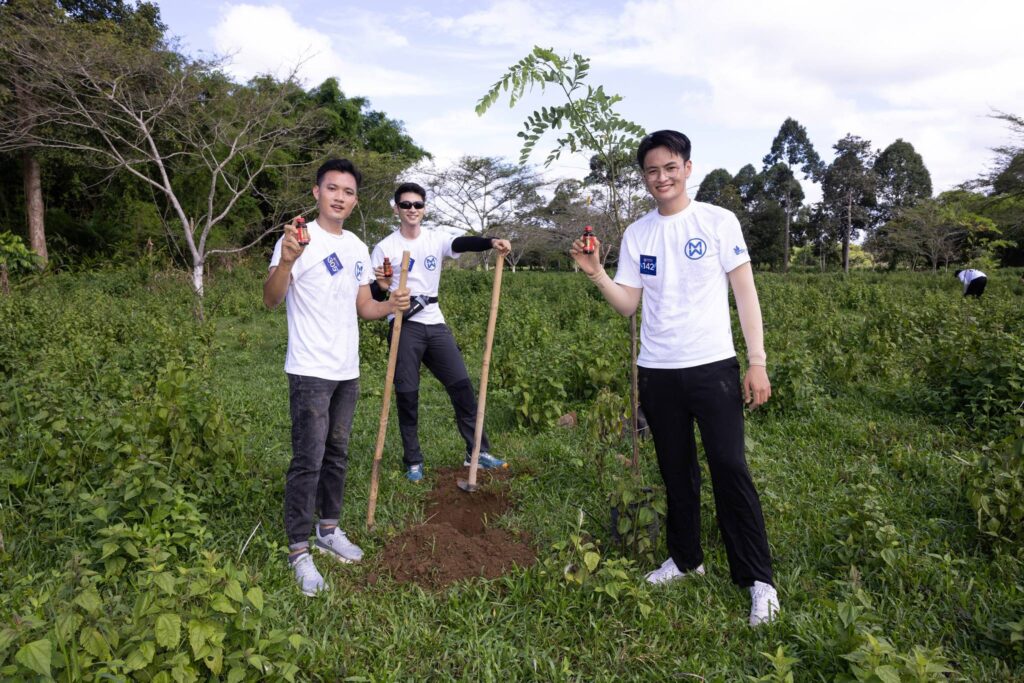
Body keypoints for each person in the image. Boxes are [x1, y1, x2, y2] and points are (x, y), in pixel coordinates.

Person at [569, 130, 779, 626]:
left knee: (730, 468)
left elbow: (745, 293)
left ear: (687, 167)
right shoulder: (640, 233)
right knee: (675, 469)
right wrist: (597, 272)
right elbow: (628, 305)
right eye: (651, 171)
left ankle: (758, 580)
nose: (661, 178)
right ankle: (686, 559)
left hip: (713, 367)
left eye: (669, 167)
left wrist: (757, 360)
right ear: (644, 178)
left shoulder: (717, 221)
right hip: (658, 371)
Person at [263, 159, 410, 596]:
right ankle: (298, 550)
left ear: (355, 200)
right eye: (332, 188)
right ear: (316, 192)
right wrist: (287, 261)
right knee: (307, 458)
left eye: (347, 191)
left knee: (338, 452)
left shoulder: (357, 248)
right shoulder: (296, 240)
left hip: (347, 369)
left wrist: (392, 305)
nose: (340, 197)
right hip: (310, 369)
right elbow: (271, 300)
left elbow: (364, 306)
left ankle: (328, 530)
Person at [370, 182, 512, 482]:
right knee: (407, 394)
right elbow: (375, 293)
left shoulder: (435, 239)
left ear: (424, 208)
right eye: (406, 204)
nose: (412, 210)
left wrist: (491, 241)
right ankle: (413, 461)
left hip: (434, 322)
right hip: (403, 324)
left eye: (417, 205)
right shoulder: (385, 247)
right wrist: (382, 286)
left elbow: (460, 243)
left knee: (461, 385)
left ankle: (477, 452)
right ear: (396, 208)